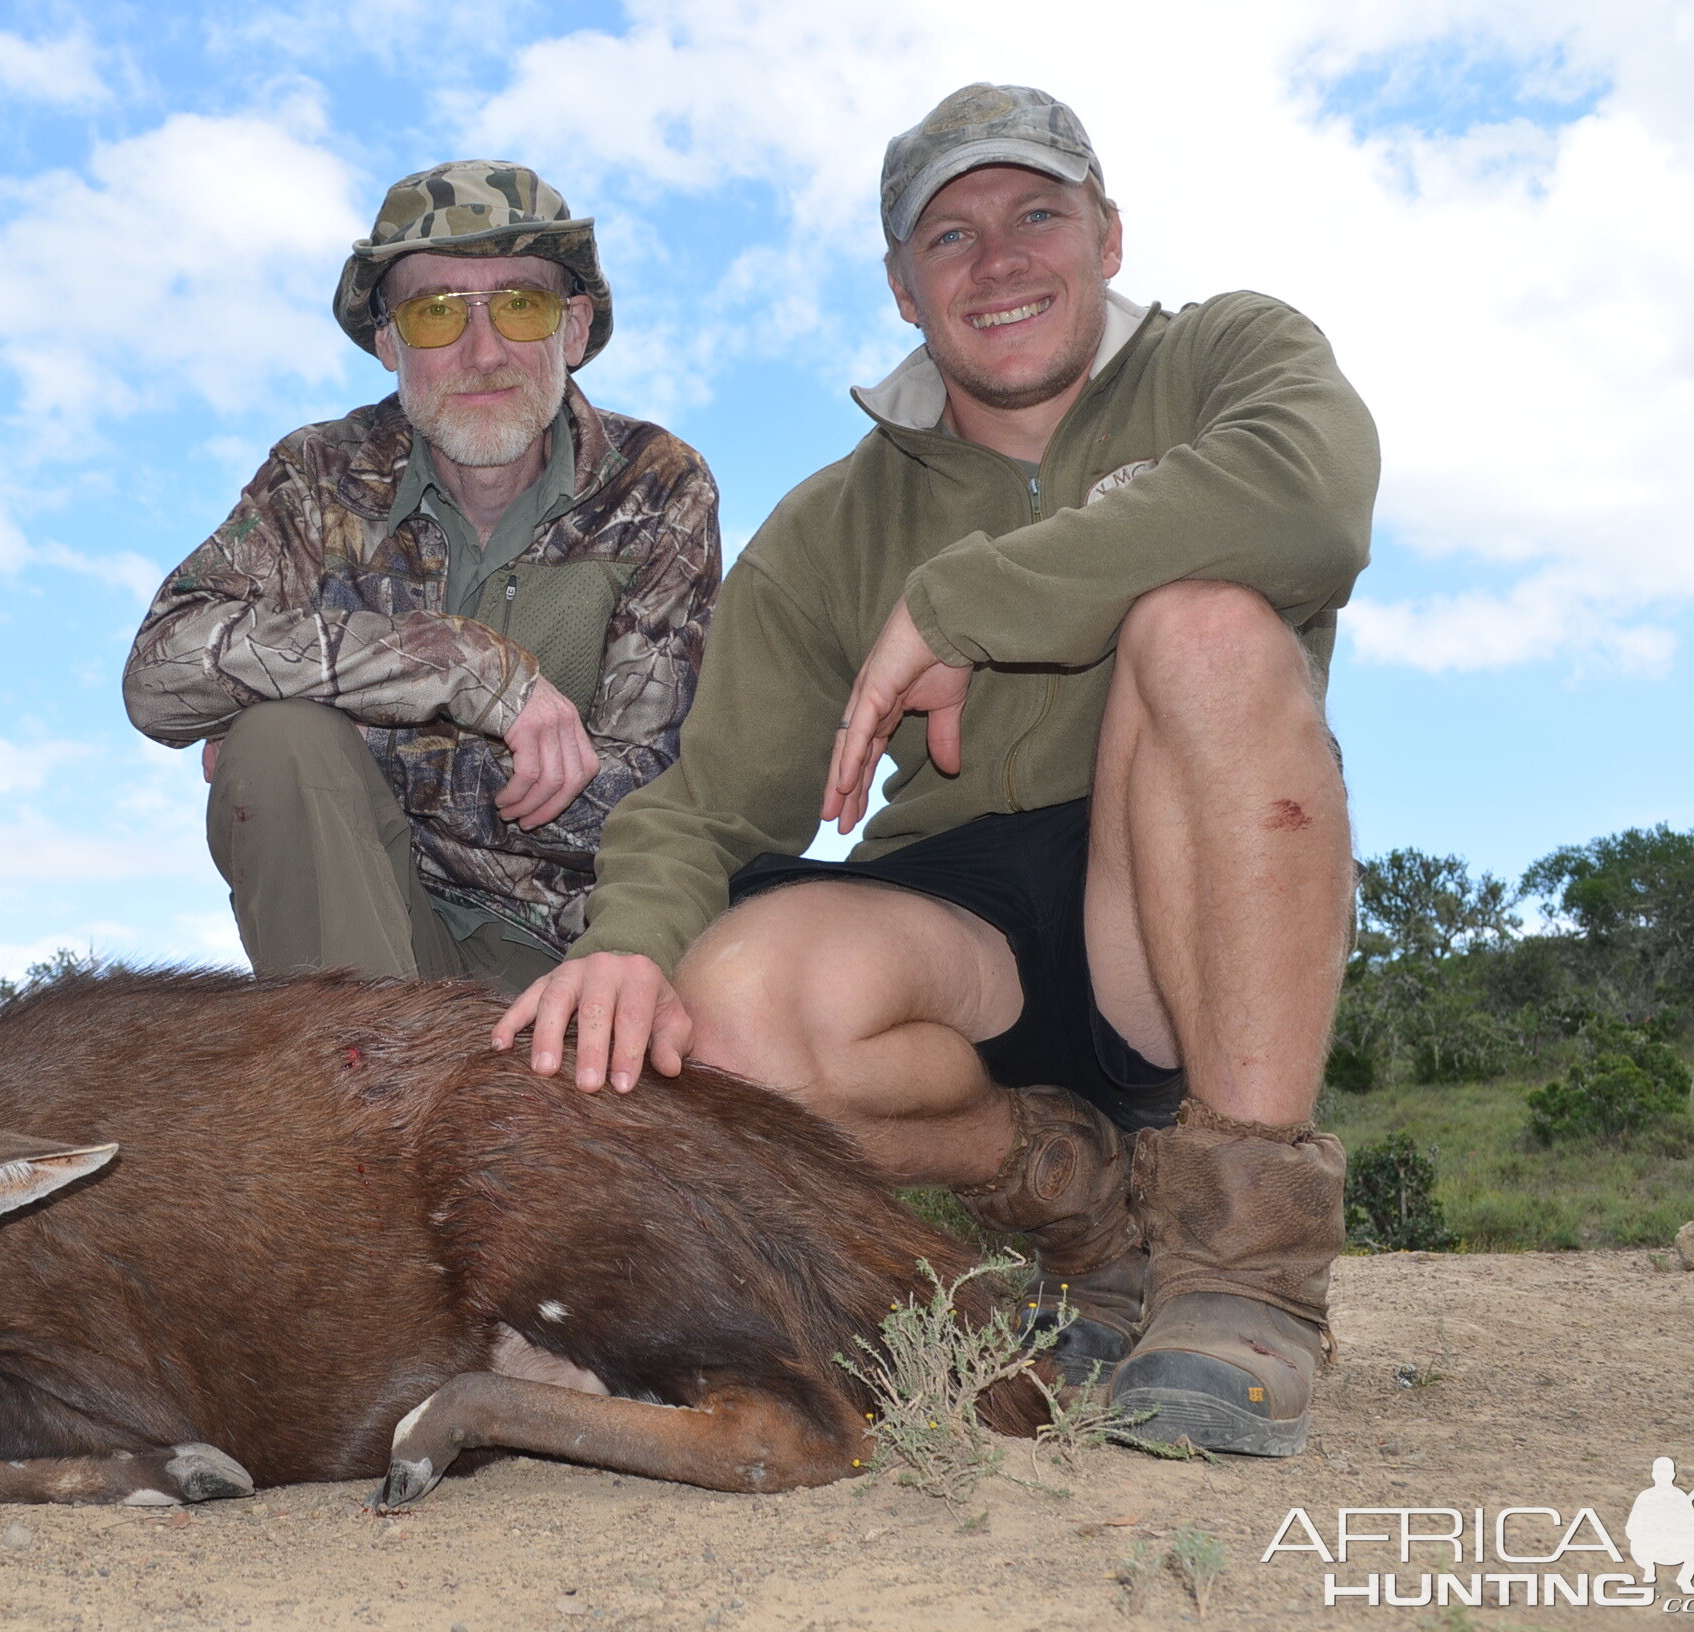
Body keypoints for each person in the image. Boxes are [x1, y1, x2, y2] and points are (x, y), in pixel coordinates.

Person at [492, 84, 1378, 1457]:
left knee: (1202, 628)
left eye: (1039, 213)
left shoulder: (1230, 355)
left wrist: (965, 603)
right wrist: (626, 947)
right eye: (949, 238)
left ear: (1111, 237)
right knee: (733, 1009)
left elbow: (1311, 501)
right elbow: (718, 803)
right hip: (970, 920)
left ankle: (1245, 1275)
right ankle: (1083, 1207)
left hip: (1180, 885)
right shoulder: (833, 522)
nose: (1001, 258)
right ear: (905, 289)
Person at [125, 162, 721, 997]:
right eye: (435, 313)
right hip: (358, 911)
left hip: (564, 949)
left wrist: (348, 731)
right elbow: (158, 676)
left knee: (278, 729)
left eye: (521, 305)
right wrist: (455, 665)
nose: (483, 352)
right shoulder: (317, 473)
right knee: (279, 747)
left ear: (574, 329)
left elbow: (638, 803)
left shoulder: (657, 485)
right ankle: (359, 1091)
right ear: (388, 342)